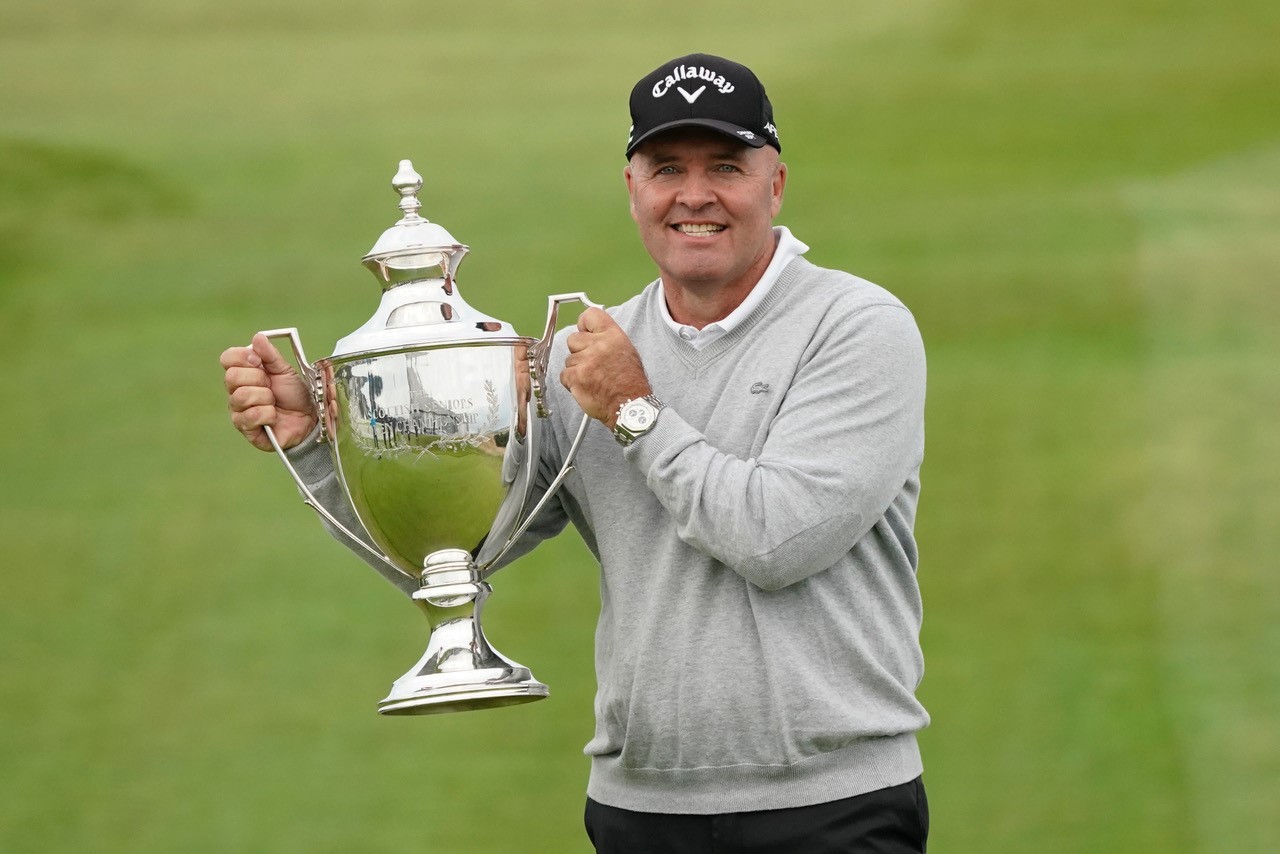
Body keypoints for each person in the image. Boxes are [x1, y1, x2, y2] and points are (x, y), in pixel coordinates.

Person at [221, 53, 930, 853]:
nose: (694, 195)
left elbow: (778, 541)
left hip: (831, 807)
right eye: (667, 168)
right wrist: (319, 446)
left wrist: (634, 410)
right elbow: (454, 557)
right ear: (633, 190)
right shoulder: (580, 358)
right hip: (640, 811)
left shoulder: (857, 328)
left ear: (775, 184)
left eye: (725, 166)